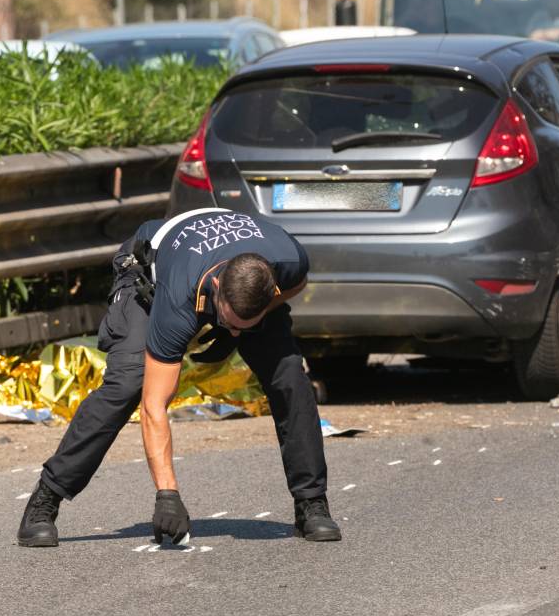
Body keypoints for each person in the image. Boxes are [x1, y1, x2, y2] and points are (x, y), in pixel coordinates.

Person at [17, 207, 341, 547]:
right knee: (129, 382)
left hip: (234, 270)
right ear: (216, 289)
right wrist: (167, 493)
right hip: (152, 267)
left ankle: (311, 504)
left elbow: (297, 286)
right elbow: (153, 405)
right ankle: (45, 500)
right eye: (227, 322)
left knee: (289, 375)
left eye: (241, 327)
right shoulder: (178, 299)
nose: (231, 332)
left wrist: (233, 330)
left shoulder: (288, 260)